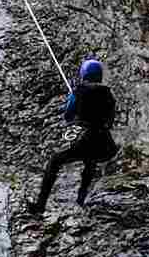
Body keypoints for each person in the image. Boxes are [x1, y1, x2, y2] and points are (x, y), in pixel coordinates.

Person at [27, 58, 118, 215]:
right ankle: (81, 199)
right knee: (90, 162)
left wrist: (75, 103)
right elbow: (110, 121)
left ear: (84, 74)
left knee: (54, 162)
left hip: (84, 139)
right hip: (102, 142)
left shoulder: (78, 92)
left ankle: (40, 205)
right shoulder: (108, 94)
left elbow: (68, 116)